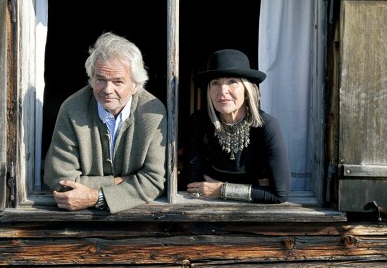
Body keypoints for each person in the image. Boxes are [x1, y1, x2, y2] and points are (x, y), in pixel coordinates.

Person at [43, 32, 167, 213]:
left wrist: (96, 196)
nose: (108, 90)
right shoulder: (72, 108)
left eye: (118, 81)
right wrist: (119, 181)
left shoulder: (153, 112)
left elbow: (155, 181)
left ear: (135, 85)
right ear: (92, 79)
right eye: (100, 79)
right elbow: (59, 179)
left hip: (139, 220)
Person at [182, 49, 290, 203]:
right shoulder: (199, 123)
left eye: (232, 81)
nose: (222, 90)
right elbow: (193, 184)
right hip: (204, 208)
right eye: (215, 83)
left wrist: (221, 189)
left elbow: (280, 194)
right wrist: (255, 186)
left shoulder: (267, 126)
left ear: (247, 90)